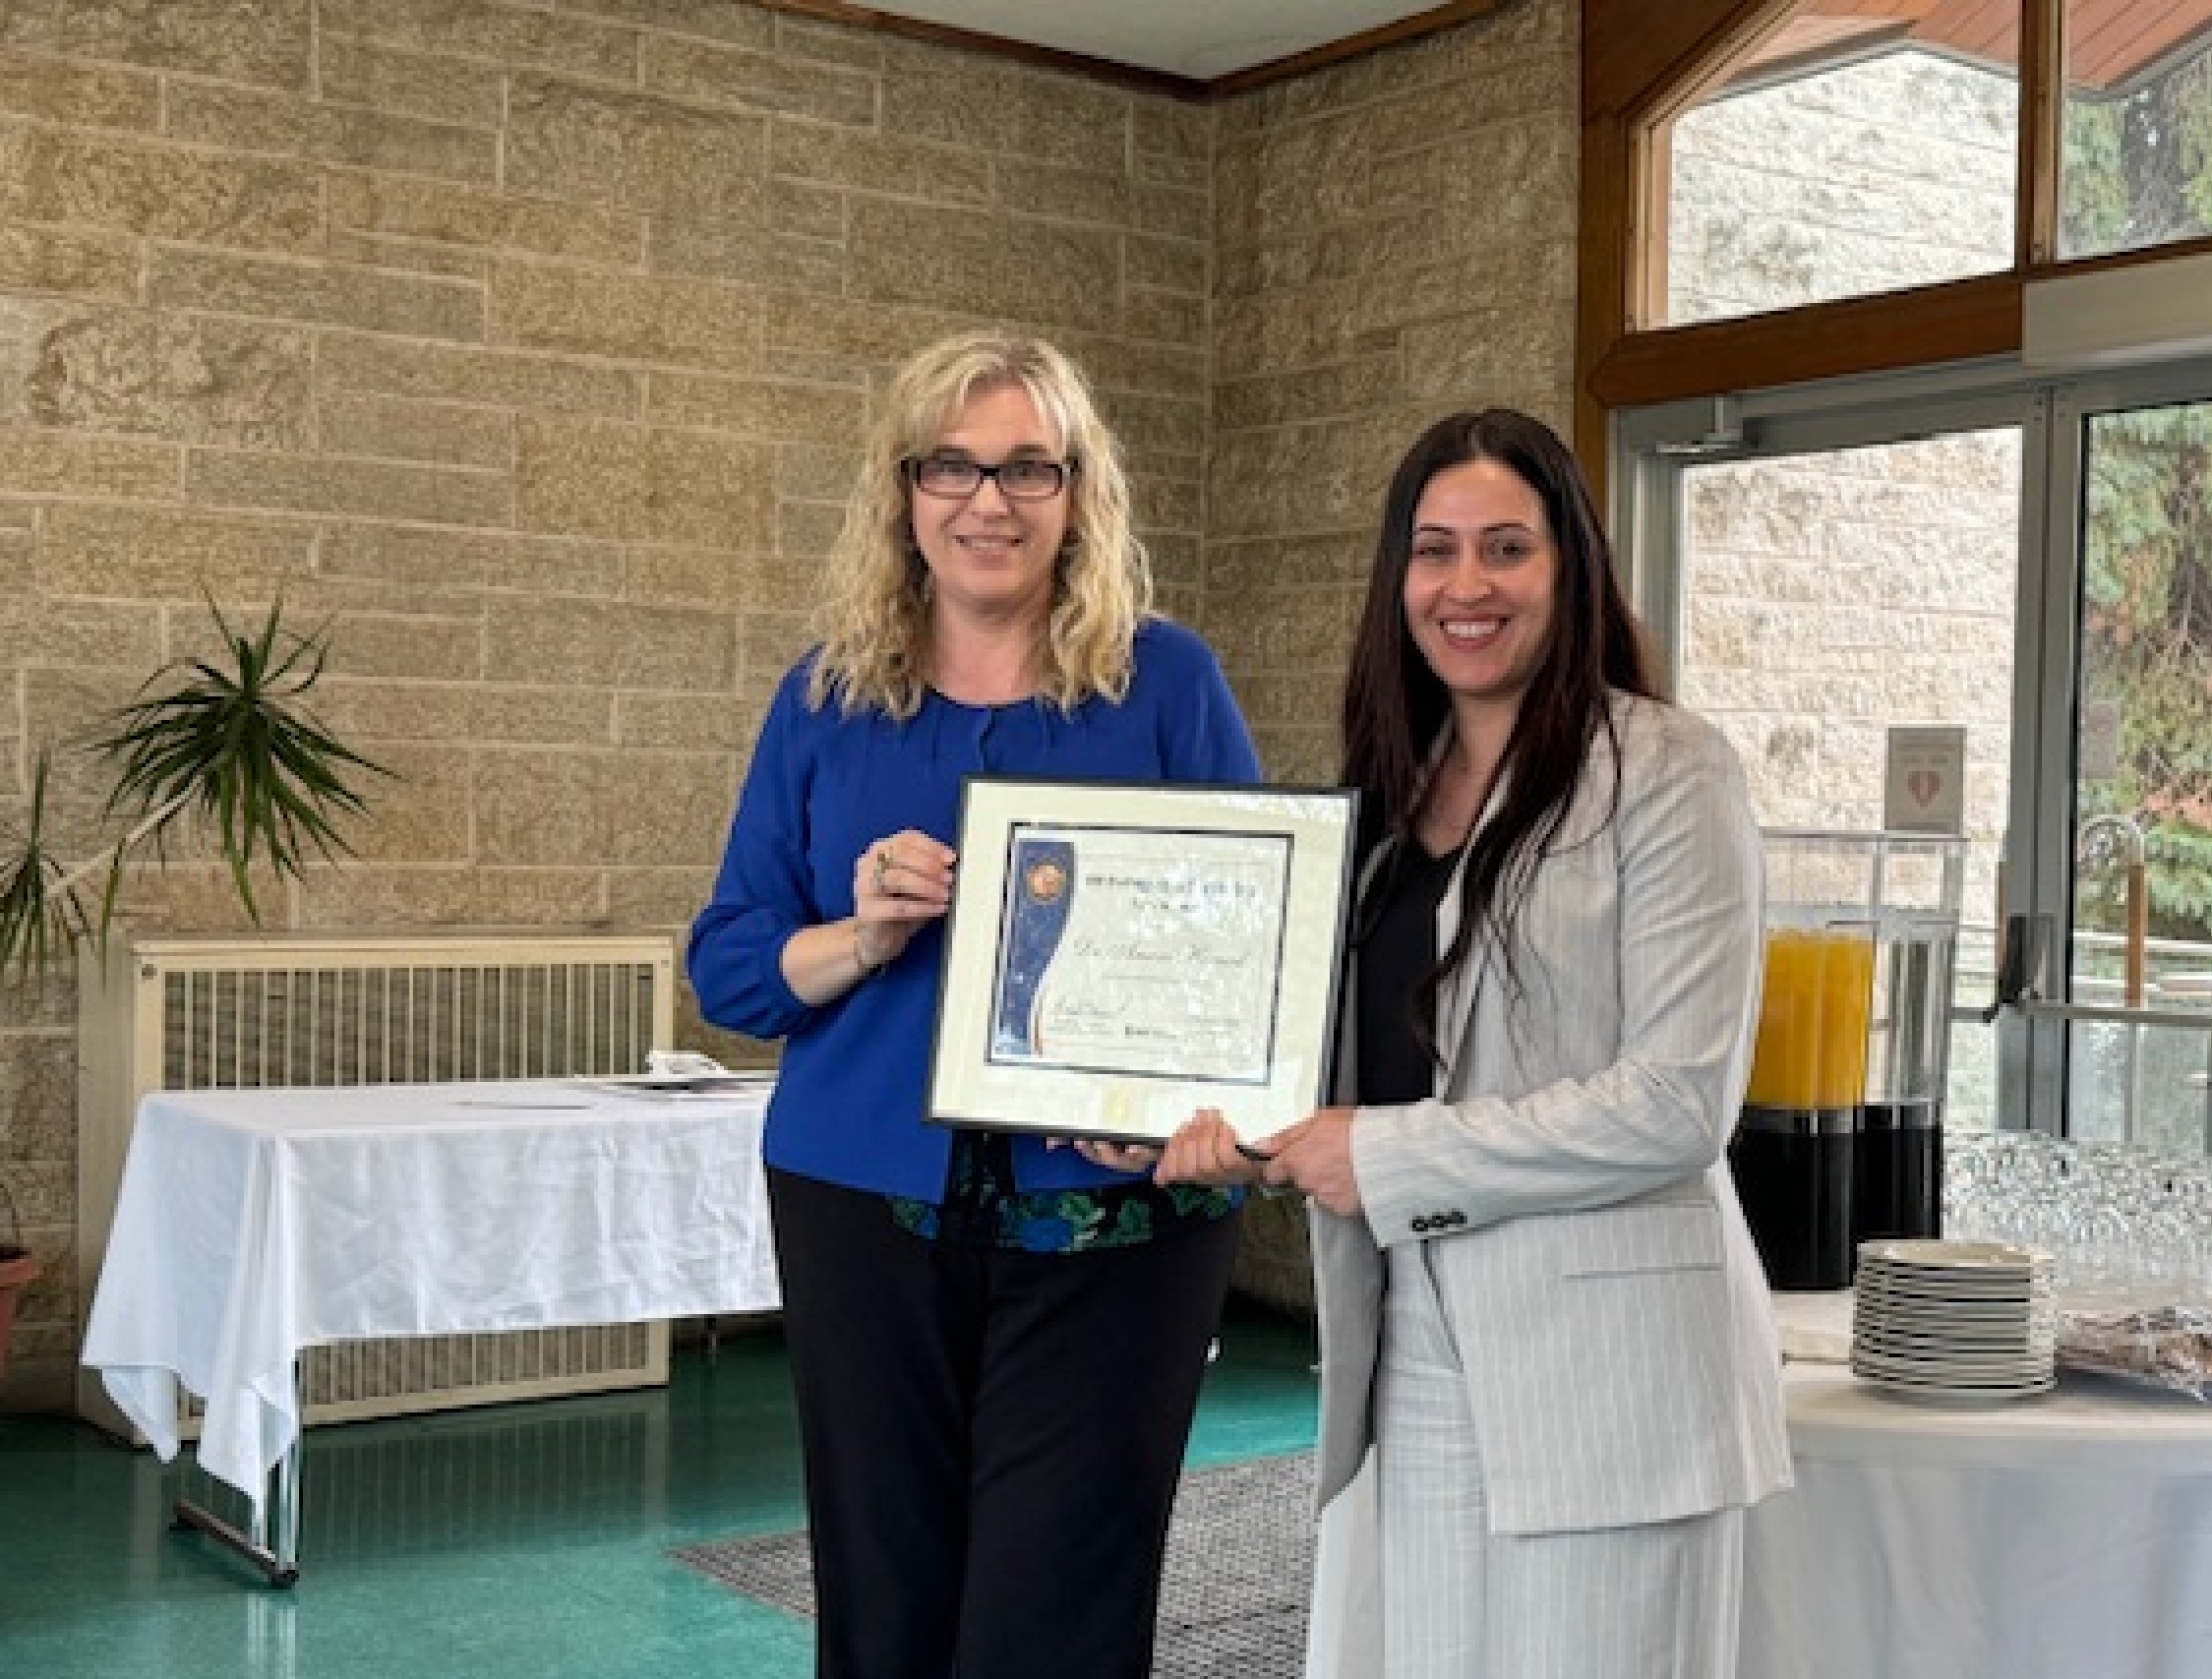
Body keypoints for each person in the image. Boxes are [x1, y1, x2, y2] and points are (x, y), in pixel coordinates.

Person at [1159, 408, 1791, 1679]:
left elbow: (1676, 1105)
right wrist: (1245, 1134)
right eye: (1434, 550)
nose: (1466, 586)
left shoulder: (1670, 772)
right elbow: (1359, 1074)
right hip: (1418, 1348)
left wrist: (1381, 1157)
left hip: (1614, 1374)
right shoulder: (1388, 802)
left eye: (1506, 548)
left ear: (1570, 569)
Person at [688, 332, 1261, 1679]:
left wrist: (1186, 1106)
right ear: (904, 492)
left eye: (1026, 468)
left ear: (1078, 495)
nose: (987, 501)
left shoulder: (1166, 683)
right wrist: (861, 931)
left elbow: (1252, 960)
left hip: (1120, 1224)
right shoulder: (825, 699)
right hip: (864, 1213)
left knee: (1053, 1613)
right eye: (953, 465)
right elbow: (729, 967)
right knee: (882, 1604)